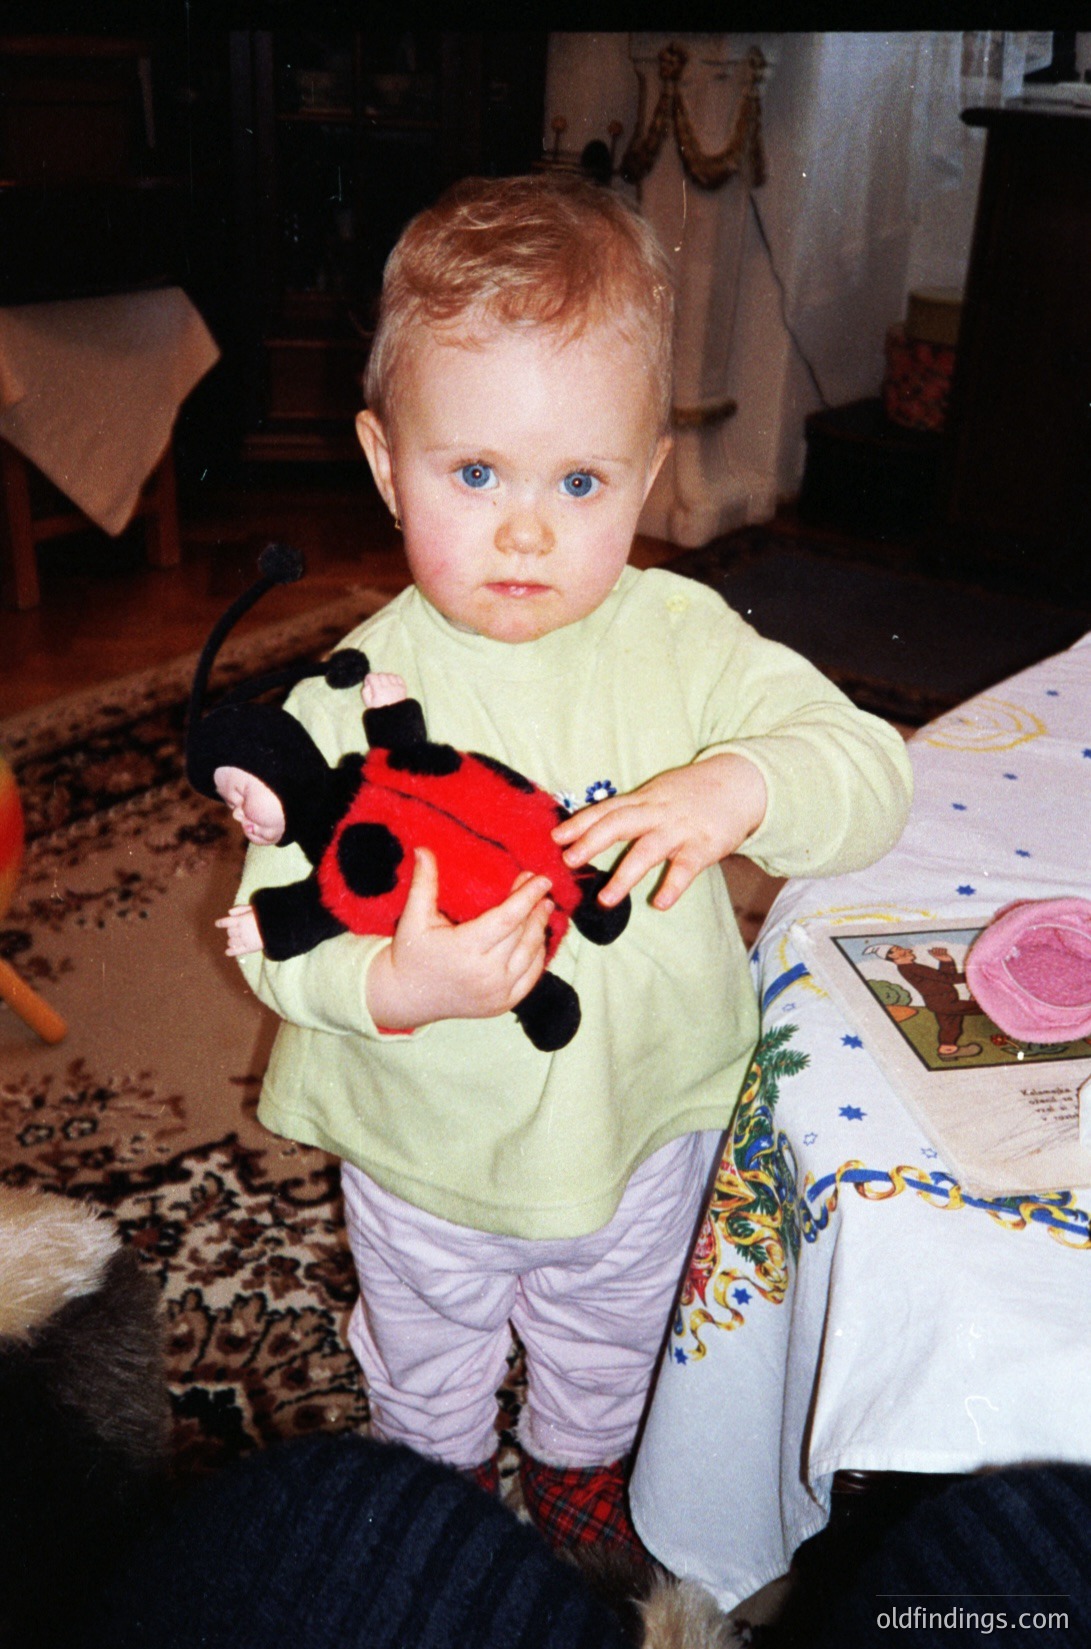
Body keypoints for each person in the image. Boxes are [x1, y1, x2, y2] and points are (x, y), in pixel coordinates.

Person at [230, 172, 914, 1555]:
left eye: (581, 480)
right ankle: (434, 1491)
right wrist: (397, 981)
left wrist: (744, 779)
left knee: (613, 1329)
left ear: (647, 473)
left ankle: (581, 1463)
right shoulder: (348, 702)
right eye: (474, 474)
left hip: (644, 1115)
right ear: (385, 463)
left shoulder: (684, 639)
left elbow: (873, 776)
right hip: (425, 1143)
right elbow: (271, 929)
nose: (529, 528)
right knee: (427, 1350)